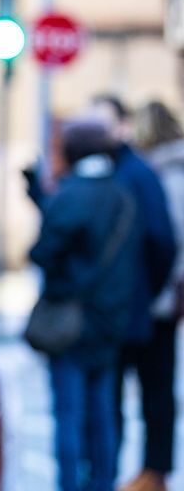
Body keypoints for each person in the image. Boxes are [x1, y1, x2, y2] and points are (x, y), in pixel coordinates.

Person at [29, 118, 141, 491]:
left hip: (71, 321)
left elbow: (44, 252)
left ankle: (70, 485)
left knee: (69, 416)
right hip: (111, 321)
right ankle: (103, 484)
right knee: (104, 414)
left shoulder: (71, 194)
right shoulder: (124, 195)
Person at [89, 95, 176, 489]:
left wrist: (150, 289)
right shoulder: (145, 171)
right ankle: (146, 471)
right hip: (150, 298)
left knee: (140, 393)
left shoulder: (143, 172)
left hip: (147, 301)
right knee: (149, 392)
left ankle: (146, 473)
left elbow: (163, 240)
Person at [123, 101, 184, 491]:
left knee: (157, 388)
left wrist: (159, 287)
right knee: (158, 386)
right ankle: (154, 468)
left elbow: (170, 238)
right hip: (161, 295)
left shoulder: (166, 174)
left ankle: (156, 470)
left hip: (159, 297)